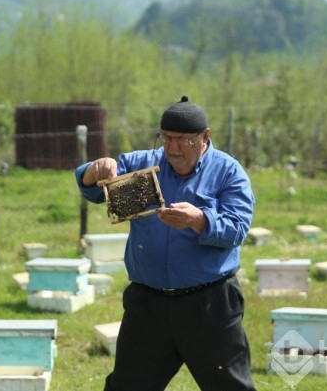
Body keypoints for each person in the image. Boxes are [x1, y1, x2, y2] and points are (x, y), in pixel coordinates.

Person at [75, 95, 257, 391]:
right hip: (148, 304)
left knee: (230, 386)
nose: (172, 148)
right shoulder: (141, 163)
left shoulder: (229, 172)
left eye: (182, 140)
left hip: (209, 304)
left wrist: (199, 220)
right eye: (166, 138)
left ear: (205, 137)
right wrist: (95, 170)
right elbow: (91, 187)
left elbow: (237, 229)